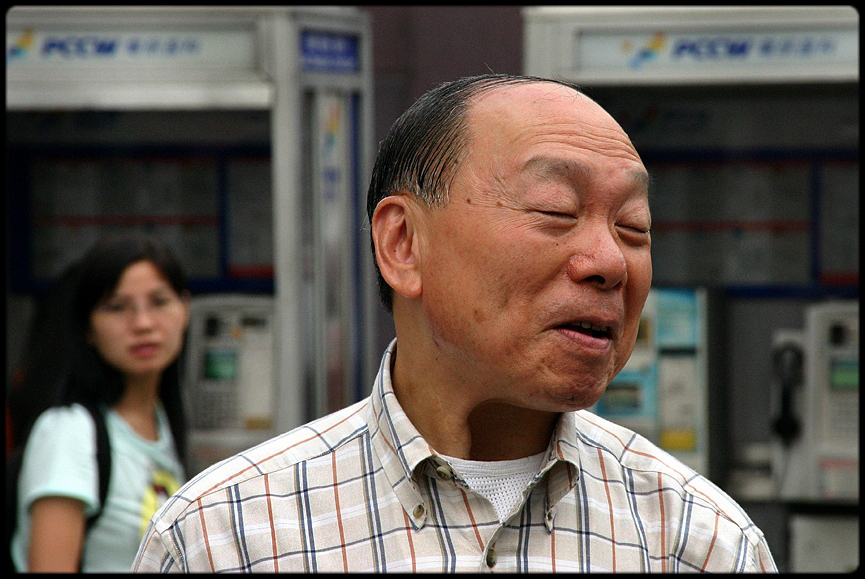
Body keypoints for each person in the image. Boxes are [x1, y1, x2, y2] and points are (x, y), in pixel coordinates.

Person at [133, 74, 777, 573]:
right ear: (403, 243)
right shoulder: (226, 537)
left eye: (633, 225)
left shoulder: (700, 542)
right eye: (556, 209)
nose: (611, 262)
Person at [9, 232, 191, 572]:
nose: (143, 323)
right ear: (87, 328)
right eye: (116, 307)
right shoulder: (68, 432)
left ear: (186, 308)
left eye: (159, 301)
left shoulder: (162, 422)